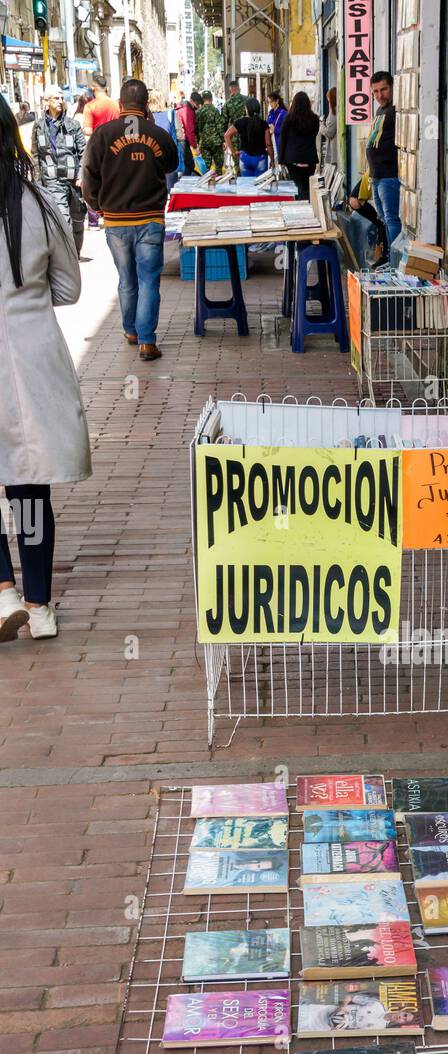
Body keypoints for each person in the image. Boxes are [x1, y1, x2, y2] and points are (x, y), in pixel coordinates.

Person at [0, 94, 91, 642]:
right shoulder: (35, 203)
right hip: (32, 358)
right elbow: (71, 287)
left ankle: (2, 590)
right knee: (30, 486)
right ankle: (38, 606)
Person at [81, 77, 178, 361]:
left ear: (121, 104)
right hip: (150, 220)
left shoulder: (102, 134)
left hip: (116, 221)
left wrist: (97, 206)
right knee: (149, 280)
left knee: (127, 279)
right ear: (147, 105)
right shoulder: (158, 133)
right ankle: (147, 342)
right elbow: (172, 164)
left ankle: (131, 331)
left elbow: (88, 177)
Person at [30, 86, 87, 257]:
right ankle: (66, 257)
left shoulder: (73, 125)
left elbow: (84, 152)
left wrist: (81, 174)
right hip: (52, 181)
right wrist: (37, 181)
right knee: (63, 217)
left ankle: (74, 253)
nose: (60, 101)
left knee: (77, 220)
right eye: (55, 98)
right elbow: (35, 155)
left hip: (73, 182)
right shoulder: (38, 126)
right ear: (46, 103)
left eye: (61, 98)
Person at [367, 70, 400, 255]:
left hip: (389, 175)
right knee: (384, 219)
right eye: (376, 91)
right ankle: (389, 257)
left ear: (392, 87)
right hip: (376, 175)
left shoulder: (396, 110)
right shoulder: (380, 110)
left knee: (391, 219)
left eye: (384, 89)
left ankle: (395, 263)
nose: (380, 95)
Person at [277, 90, 319, 198]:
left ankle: (300, 206)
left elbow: (283, 139)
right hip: (309, 159)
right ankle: (307, 204)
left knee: (297, 186)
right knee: (306, 186)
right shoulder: (314, 119)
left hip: (293, 159)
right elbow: (315, 134)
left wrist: (280, 160)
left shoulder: (288, 118)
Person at [224, 96, 271, 178]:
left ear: (247, 109)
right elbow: (268, 144)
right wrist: (273, 160)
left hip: (245, 157)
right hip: (260, 158)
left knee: (246, 187)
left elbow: (227, 136)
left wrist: (234, 152)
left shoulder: (240, 122)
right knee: (260, 187)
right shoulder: (264, 124)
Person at [347, 175, 386, 266]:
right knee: (381, 222)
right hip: (357, 199)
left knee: (380, 222)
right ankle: (382, 255)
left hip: (356, 199)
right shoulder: (375, 171)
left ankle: (381, 255)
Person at [148, 90, 180, 192]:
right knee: (169, 190)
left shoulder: (145, 116)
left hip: (150, 157)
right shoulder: (170, 113)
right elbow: (179, 135)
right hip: (167, 156)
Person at [195, 90, 224, 175]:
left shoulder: (198, 112)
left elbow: (196, 129)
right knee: (218, 166)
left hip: (205, 143)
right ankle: (219, 184)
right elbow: (220, 126)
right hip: (216, 142)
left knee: (206, 167)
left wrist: (198, 141)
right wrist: (223, 140)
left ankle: (207, 184)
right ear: (211, 98)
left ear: (202, 99)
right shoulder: (215, 110)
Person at [174, 90, 201, 175]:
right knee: (189, 165)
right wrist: (194, 146)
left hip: (179, 139)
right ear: (193, 101)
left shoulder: (181, 108)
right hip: (183, 140)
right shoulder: (187, 111)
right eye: (197, 104)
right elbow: (189, 130)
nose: (198, 107)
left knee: (184, 164)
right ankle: (185, 184)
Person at [319, 86, 337, 166]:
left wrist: (321, 125)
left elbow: (329, 133)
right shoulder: (335, 111)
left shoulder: (334, 112)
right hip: (334, 151)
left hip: (334, 152)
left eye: (329, 100)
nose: (328, 102)